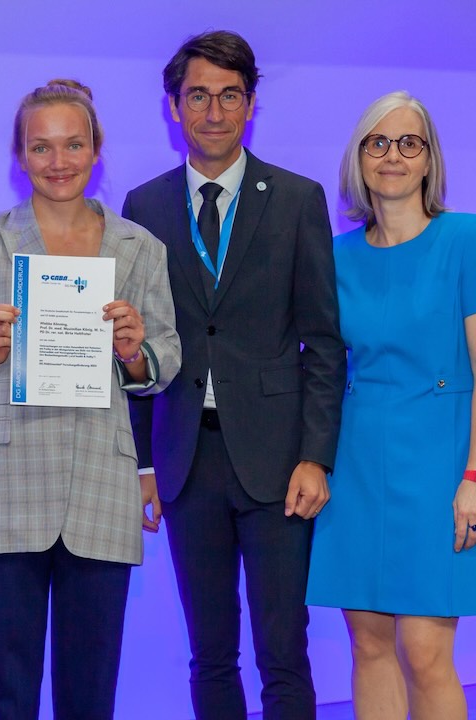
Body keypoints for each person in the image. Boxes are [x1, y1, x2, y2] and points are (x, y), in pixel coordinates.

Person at [0, 79, 181, 720]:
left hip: (101, 486)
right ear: (20, 155)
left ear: (96, 150)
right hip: (6, 487)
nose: (58, 161)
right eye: (41, 147)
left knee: (89, 697)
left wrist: (132, 350)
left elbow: (165, 360)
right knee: (7, 696)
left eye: (73, 145)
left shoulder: (139, 248)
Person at [122, 31, 346, 719]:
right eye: (198, 96)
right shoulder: (144, 207)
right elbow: (127, 346)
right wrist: (142, 465)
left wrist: (316, 456)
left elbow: (324, 344)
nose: (213, 111)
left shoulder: (297, 199)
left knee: (284, 648)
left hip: (279, 461)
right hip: (186, 458)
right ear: (172, 106)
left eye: (229, 96)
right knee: (210, 652)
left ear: (250, 105)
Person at [306, 90, 476, 719]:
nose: (393, 156)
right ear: (359, 159)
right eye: (379, 143)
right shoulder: (335, 254)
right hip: (357, 467)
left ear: (429, 160)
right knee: (368, 644)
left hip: (442, 465)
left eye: (409, 143)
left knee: (427, 651)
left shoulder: (469, 237)